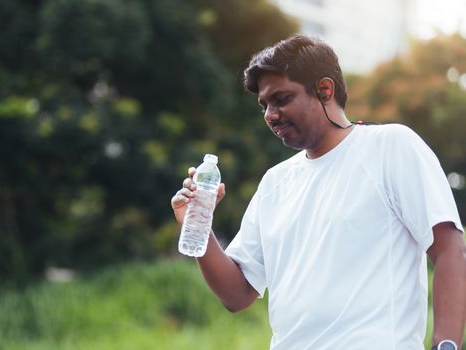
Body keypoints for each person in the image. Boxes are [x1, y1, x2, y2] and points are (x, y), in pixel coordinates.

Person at [170, 35, 466, 349]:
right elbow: (238, 294)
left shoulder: (390, 146)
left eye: (281, 99)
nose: (270, 115)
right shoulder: (275, 183)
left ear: (325, 90)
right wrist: (199, 226)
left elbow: (449, 250)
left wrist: (445, 345)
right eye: (264, 105)